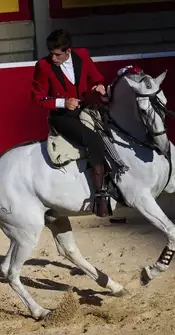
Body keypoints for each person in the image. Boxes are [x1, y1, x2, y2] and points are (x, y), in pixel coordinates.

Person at [31, 28, 110, 217]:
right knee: (92, 139)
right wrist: (62, 102)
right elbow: (37, 98)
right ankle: (100, 195)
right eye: (51, 53)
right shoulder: (43, 66)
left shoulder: (82, 55)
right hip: (62, 116)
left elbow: (96, 77)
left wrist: (98, 85)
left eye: (57, 54)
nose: (53, 58)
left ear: (68, 51)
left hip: (87, 108)